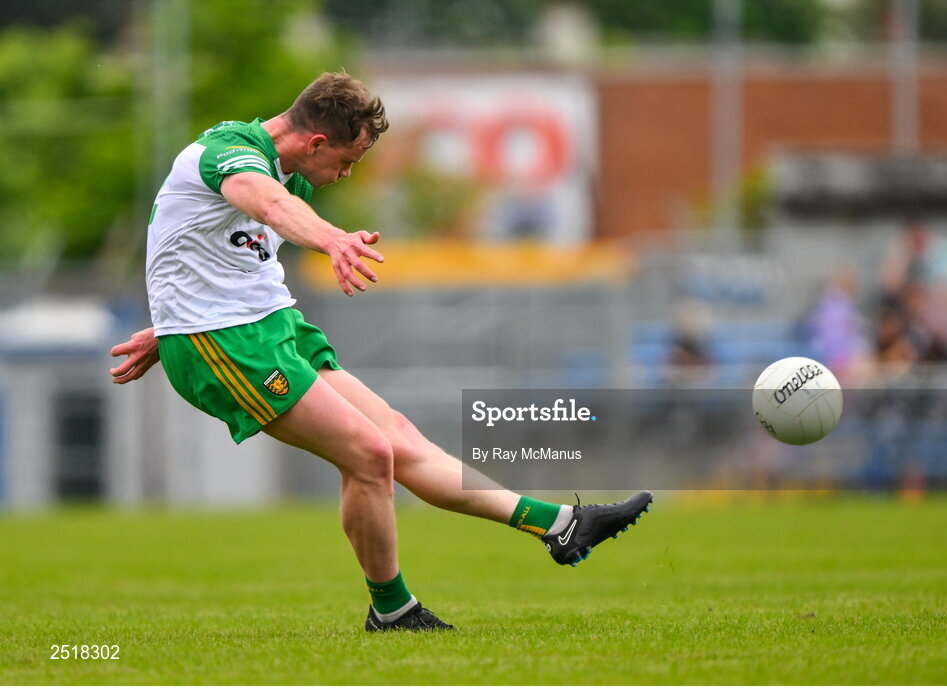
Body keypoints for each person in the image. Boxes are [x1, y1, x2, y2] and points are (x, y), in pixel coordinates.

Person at [109, 71, 653, 632]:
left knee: (397, 437)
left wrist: (166, 324)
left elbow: (204, 246)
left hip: (267, 325)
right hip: (225, 343)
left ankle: (563, 525)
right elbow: (266, 204)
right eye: (346, 162)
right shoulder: (231, 154)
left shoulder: (288, 171)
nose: (345, 175)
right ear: (316, 141)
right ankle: (393, 610)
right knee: (370, 455)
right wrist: (332, 240)